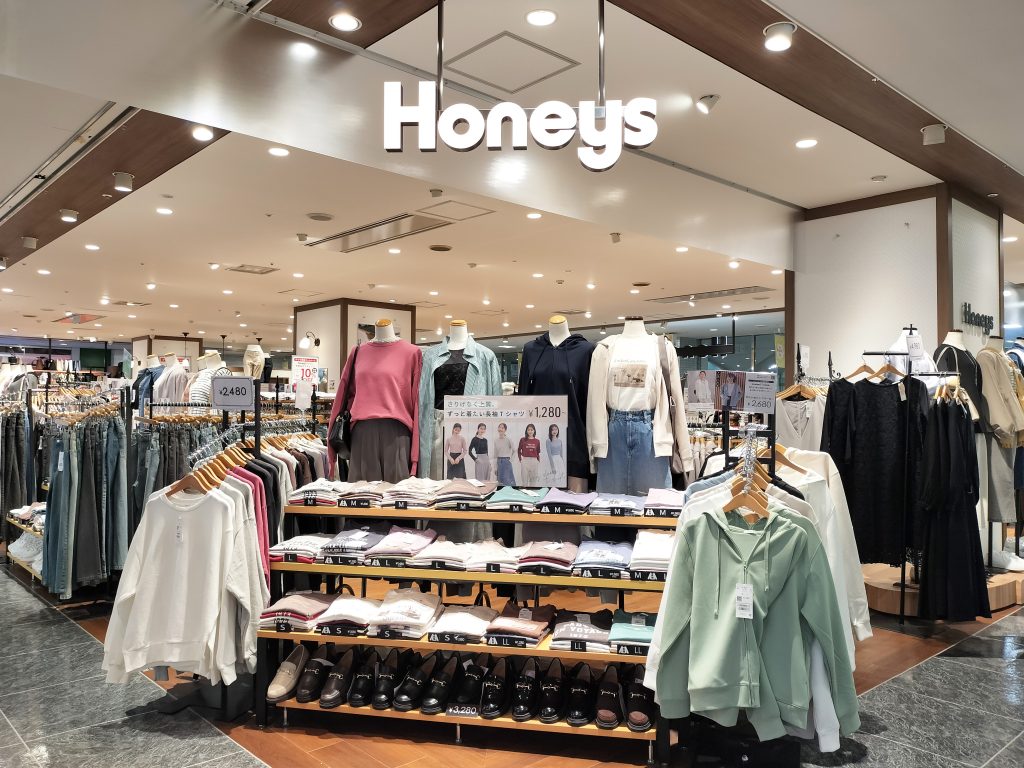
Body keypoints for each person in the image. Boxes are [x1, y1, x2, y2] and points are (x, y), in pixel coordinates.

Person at [495, 422, 516, 486]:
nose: (500, 429)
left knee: (507, 480)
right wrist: (495, 467)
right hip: (499, 461)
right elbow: (495, 454)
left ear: (505, 430)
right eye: (499, 427)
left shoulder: (508, 439)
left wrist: (510, 461)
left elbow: (514, 450)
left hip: (506, 461)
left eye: (502, 428)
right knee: (500, 480)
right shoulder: (496, 440)